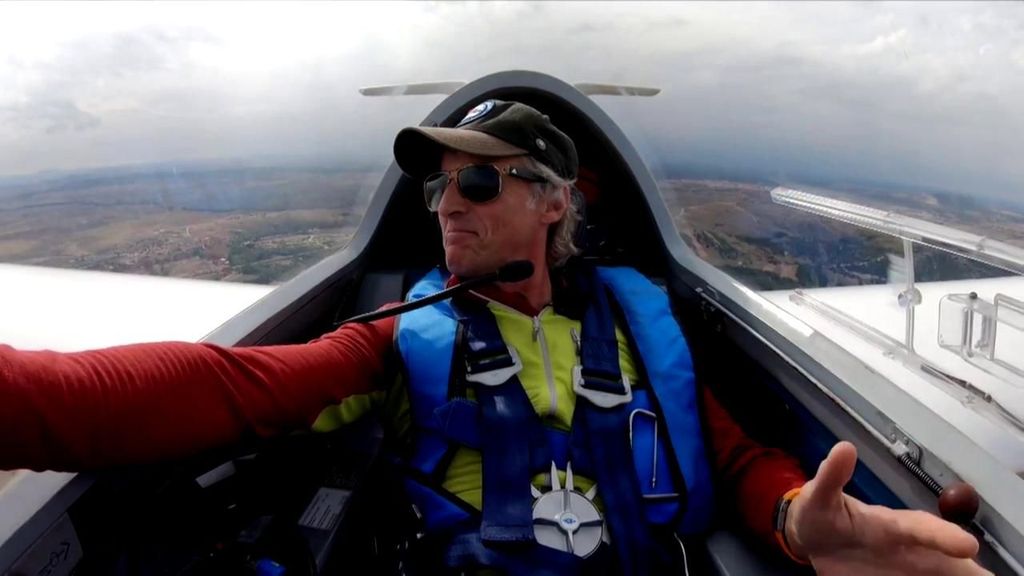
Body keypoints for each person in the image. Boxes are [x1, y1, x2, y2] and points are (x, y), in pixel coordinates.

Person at [0, 100, 989, 576]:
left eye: (478, 181)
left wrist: (793, 524)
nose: (447, 207)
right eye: (438, 186)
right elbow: (233, 386)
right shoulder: (401, 338)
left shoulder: (642, 324)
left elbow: (734, 460)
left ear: (554, 203)